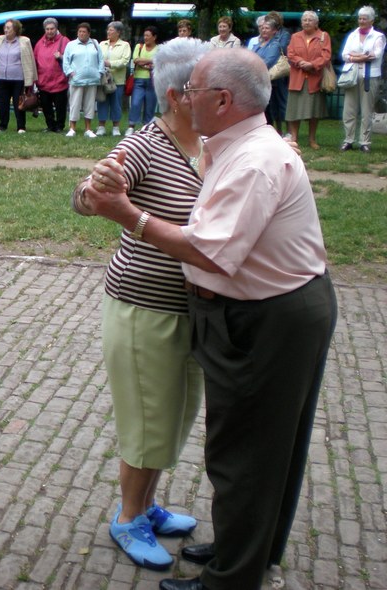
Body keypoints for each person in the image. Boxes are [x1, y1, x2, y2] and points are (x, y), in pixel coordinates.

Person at [82, 47, 337, 590]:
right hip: (212, 311)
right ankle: (235, 547)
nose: (179, 97)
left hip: (266, 319)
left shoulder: (251, 156)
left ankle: (233, 574)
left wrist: (130, 216)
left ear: (220, 100)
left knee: (247, 451)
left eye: (192, 90)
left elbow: (215, 252)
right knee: (225, 441)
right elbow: (89, 194)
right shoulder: (229, 145)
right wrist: (97, 192)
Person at [73, 37, 209, 571]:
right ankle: (128, 517)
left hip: (190, 310)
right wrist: (95, 188)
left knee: (174, 417)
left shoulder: (208, 142)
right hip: (143, 311)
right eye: (207, 85)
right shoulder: (145, 144)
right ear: (177, 95)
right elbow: (89, 196)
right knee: (148, 421)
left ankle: (148, 507)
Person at [340, 5, 386, 152]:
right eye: (360, 18)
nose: (361, 21)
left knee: (366, 110)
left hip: (370, 76)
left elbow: (375, 55)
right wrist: (362, 57)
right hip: (352, 75)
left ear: (371, 21)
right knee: (349, 109)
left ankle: (364, 142)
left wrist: (354, 57)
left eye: (364, 19)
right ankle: (348, 140)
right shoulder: (353, 35)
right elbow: (344, 55)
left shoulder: (378, 36)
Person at [286, 11, 331, 150]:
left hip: (314, 78)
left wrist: (312, 64)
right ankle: (294, 138)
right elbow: (290, 53)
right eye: (304, 20)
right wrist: (301, 62)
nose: (306, 22)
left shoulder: (324, 36)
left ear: (316, 23)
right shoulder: (295, 36)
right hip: (297, 77)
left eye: (310, 20)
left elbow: (326, 55)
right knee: (294, 110)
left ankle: (312, 139)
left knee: (314, 111)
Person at [0, 19, 37, 134]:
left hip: (18, 78)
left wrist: (30, 78)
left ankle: (21, 126)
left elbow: (30, 60)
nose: (6, 30)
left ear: (15, 29)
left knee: (18, 103)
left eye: (9, 28)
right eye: (5, 27)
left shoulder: (24, 41)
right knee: (2, 103)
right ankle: (2, 125)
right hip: (1, 77)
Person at [62, 22, 103, 138]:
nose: (81, 34)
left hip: (92, 80)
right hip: (76, 80)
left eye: (84, 32)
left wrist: (99, 73)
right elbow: (66, 61)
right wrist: (70, 73)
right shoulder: (71, 45)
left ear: (89, 33)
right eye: (79, 31)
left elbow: (101, 59)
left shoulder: (95, 44)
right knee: (74, 104)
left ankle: (88, 129)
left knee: (89, 105)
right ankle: (72, 128)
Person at [33, 18, 70, 133]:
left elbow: (70, 58)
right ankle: (50, 125)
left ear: (56, 28)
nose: (49, 31)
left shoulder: (64, 41)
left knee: (60, 107)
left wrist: (61, 57)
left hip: (59, 81)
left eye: (52, 29)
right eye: (47, 29)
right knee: (46, 107)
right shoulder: (40, 43)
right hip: (43, 82)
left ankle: (59, 126)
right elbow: (35, 59)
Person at [253, 15, 287, 134]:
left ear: (274, 31)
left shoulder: (275, 45)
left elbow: (268, 62)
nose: (263, 30)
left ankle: (272, 133)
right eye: (262, 27)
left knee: (270, 111)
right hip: (257, 81)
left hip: (271, 83)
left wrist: (252, 66)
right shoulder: (257, 45)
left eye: (267, 28)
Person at [97, 21, 131, 137]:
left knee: (116, 103)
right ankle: (101, 126)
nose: (108, 32)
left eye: (111, 30)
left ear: (118, 32)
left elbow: (125, 61)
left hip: (117, 80)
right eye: (108, 30)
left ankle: (116, 127)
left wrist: (110, 63)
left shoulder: (125, 45)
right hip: (103, 79)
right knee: (102, 102)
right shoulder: (102, 44)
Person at [127, 26, 159, 136]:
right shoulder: (139, 47)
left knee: (150, 105)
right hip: (139, 79)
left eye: (148, 36)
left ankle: (147, 128)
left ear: (154, 37)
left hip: (153, 80)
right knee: (135, 103)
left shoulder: (159, 49)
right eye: (144, 35)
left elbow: (158, 63)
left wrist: (144, 62)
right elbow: (136, 60)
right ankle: (131, 126)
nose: (145, 38)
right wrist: (150, 62)